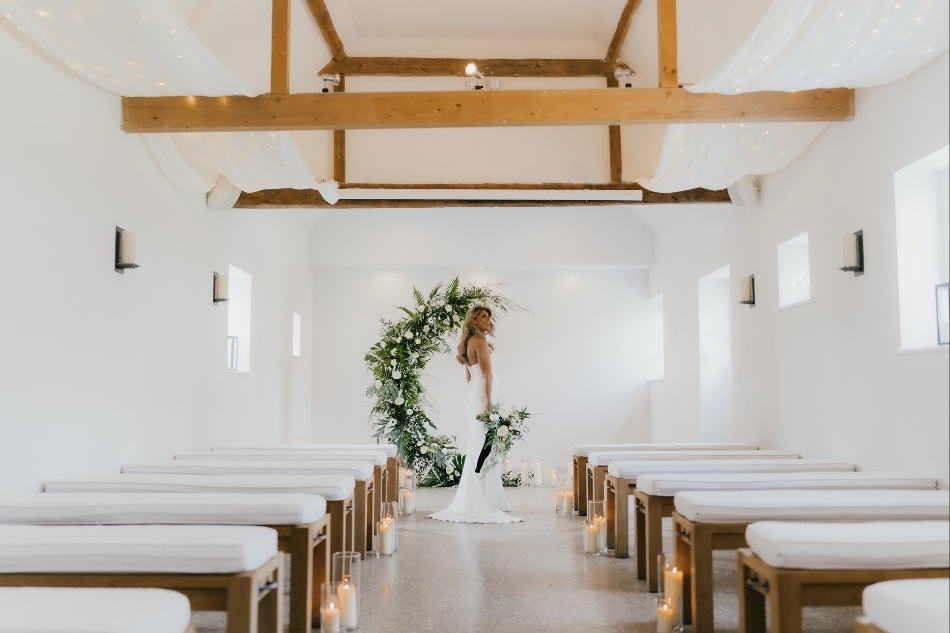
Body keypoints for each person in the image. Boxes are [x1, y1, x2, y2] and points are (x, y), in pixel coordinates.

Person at [429, 305, 521, 523]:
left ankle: (487, 495)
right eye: (483, 317)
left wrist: (478, 397)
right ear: (473, 322)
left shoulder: (470, 343)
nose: (488, 320)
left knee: (479, 442)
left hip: (473, 394)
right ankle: (482, 498)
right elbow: (487, 375)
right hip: (483, 395)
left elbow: (470, 377)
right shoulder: (479, 342)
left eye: (489, 317)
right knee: (485, 443)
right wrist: (489, 403)